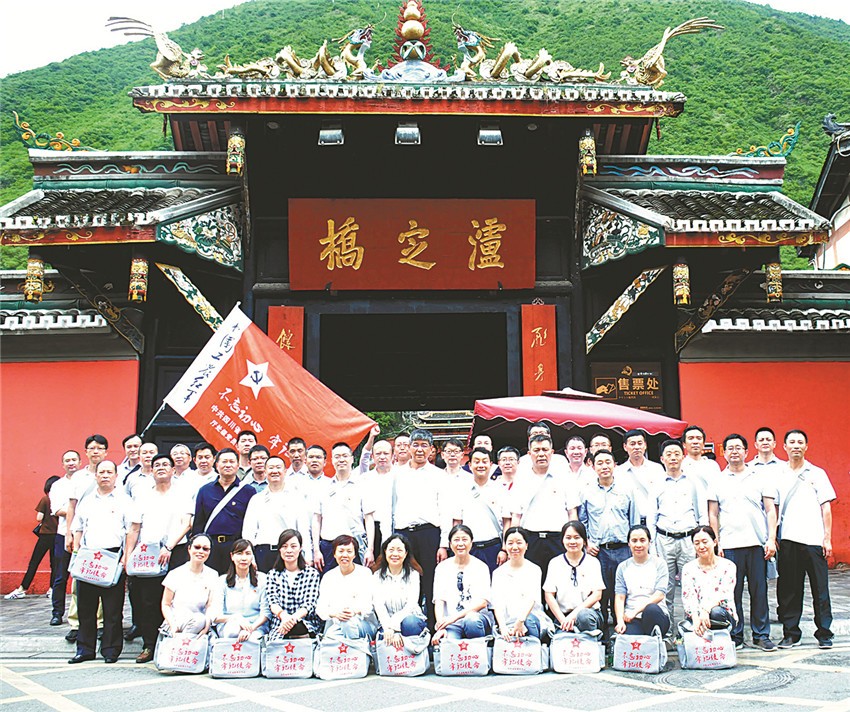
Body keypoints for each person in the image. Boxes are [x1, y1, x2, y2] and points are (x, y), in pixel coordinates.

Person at [708, 434, 777, 651]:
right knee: (732, 593)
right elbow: (713, 514)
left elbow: (770, 510)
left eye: (739, 448)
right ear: (724, 452)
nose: (734, 451)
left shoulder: (759, 477)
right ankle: (735, 635)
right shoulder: (717, 479)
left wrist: (771, 539)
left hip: (756, 544)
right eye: (730, 448)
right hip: (729, 545)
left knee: (759, 592)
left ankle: (761, 634)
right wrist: (716, 542)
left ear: (746, 452)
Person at [69, 460, 137, 664]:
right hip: (88, 558)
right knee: (86, 608)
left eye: (109, 472)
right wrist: (77, 550)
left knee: (112, 609)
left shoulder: (124, 500)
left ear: (116, 476)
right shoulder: (87, 501)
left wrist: (126, 556)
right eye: (102, 472)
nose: (105, 475)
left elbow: (132, 530)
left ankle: (110, 649)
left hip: (113, 557)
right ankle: (85, 649)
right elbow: (78, 527)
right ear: (96, 475)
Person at [392, 428, 460, 629]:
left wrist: (443, 544)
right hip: (403, 534)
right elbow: (391, 507)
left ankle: (433, 629)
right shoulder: (397, 474)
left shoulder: (439, 476)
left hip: (429, 534)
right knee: (403, 581)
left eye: (424, 446)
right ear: (408, 448)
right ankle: (403, 629)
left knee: (431, 582)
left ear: (431, 450)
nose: (419, 450)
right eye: (416, 445)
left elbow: (445, 511)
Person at [776, 429, 836, 649]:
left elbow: (826, 507)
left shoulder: (817, 473)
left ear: (806, 446)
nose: (796, 446)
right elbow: (773, 507)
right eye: (791, 442)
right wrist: (773, 536)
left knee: (820, 589)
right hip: (788, 539)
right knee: (790, 590)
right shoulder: (778, 473)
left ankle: (824, 633)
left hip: (813, 540)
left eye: (800, 442)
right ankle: (791, 633)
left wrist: (827, 538)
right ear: (784, 447)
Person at [129, 453, 191, 663]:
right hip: (149, 554)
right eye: (157, 465)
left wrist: (169, 546)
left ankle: (176, 642)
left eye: (166, 464)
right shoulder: (143, 495)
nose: (161, 467)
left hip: (176, 551)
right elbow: (134, 528)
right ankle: (149, 644)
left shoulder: (182, 493)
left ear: (173, 470)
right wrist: (128, 556)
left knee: (177, 599)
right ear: (151, 471)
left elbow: (186, 524)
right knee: (148, 601)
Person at [648, 439, 707, 635]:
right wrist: (652, 547)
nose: (673, 457)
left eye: (676, 453)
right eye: (669, 454)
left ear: (683, 456)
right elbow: (651, 517)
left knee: (692, 587)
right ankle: (667, 632)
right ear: (662, 458)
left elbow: (702, 514)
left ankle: (693, 631)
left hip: (689, 540)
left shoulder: (694, 482)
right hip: (663, 540)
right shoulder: (655, 484)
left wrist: (701, 542)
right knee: (665, 589)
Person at [579, 448, 638, 630]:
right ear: (593, 467)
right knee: (601, 593)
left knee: (623, 591)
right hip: (599, 551)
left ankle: (624, 630)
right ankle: (602, 632)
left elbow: (634, 520)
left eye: (608, 462)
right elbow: (582, 521)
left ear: (615, 465)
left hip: (623, 549)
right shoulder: (587, 492)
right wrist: (587, 543)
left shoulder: (627, 490)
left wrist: (634, 546)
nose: (604, 466)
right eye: (600, 463)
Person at [510, 434, 579, 580]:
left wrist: (573, 539)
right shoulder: (521, 479)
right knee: (531, 582)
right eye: (536, 450)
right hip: (530, 539)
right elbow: (516, 515)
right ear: (529, 454)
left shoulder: (565, 477)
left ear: (551, 452)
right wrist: (514, 542)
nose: (541, 454)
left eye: (545, 450)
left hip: (558, 539)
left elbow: (572, 513)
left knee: (560, 582)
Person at [312, 442, 376, 572]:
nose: (341, 459)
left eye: (345, 456)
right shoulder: (323, 486)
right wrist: (316, 550)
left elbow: (369, 519)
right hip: (329, 546)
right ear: (332, 460)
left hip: (354, 545)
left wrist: (370, 549)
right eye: (337, 456)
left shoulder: (362, 485)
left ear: (352, 459)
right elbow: (316, 519)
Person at [192, 448, 256, 574]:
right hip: (210, 546)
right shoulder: (205, 490)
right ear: (217, 465)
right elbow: (198, 523)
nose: (228, 465)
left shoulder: (248, 491)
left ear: (237, 465)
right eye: (224, 461)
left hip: (236, 547)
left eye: (231, 462)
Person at [242, 455, 311, 572]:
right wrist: (249, 556)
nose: (275, 471)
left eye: (278, 467)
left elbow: (303, 529)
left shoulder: (296, 497)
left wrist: (308, 556)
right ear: (265, 472)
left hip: (290, 553)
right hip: (263, 553)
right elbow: (248, 531)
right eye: (271, 468)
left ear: (285, 471)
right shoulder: (257, 499)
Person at [432, 525, 492, 644]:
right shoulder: (442, 568)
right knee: (448, 643)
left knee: (471, 620)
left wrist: (453, 618)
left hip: (476, 619)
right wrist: (441, 627)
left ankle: (478, 653)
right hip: (452, 624)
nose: (460, 544)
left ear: (471, 542)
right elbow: (439, 601)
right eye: (456, 540)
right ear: (450, 544)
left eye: (464, 539)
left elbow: (483, 602)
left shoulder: (481, 567)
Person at [543, 521, 605, 634]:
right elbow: (549, 595)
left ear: (584, 541)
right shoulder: (555, 563)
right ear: (562, 540)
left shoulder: (593, 562)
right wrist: (563, 620)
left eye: (577, 537)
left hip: (589, 614)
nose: (572, 541)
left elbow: (597, 594)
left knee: (584, 617)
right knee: (563, 641)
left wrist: (573, 615)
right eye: (568, 538)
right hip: (563, 616)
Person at [6, 475, 60, 600]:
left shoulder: (46, 499)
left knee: (34, 562)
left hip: (45, 535)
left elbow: (39, 518)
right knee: (54, 564)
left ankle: (23, 588)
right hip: (57, 535)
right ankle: (51, 589)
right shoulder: (61, 502)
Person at [262, 529, 322, 640]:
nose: (289, 550)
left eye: (293, 546)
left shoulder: (311, 574)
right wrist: (284, 618)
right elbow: (273, 602)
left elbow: (309, 604)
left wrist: (292, 620)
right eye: (284, 546)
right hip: (280, 624)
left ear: (300, 548)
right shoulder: (273, 574)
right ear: (279, 549)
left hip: (305, 623)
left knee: (298, 627)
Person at [371, 534, 428, 648]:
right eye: (391, 550)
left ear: (406, 553)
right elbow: (378, 605)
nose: (395, 554)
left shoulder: (413, 575)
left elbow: (411, 605)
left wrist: (395, 628)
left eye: (399, 550)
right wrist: (388, 628)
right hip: (385, 623)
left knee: (410, 622)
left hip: (410, 620)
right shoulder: (376, 576)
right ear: (385, 552)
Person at [315, 535, 377, 639]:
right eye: (341, 551)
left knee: (345, 624)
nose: (345, 555)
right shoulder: (328, 577)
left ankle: (351, 648)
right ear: (334, 554)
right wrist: (335, 614)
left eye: (349, 551)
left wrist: (354, 612)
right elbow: (321, 608)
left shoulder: (365, 573)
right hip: (336, 625)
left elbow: (369, 605)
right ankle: (353, 648)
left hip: (363, 624)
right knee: (332, 634)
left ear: (355, 554)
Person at [492, 527, 548, 640]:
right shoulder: (498, 573)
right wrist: (503, 627)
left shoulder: (534, 570)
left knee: (529, 621)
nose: (514, 547)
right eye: (510, 543)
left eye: (519, 543)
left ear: (526, 545)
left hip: (531, 620)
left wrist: (520, 621)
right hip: (508, 623)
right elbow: (497, 604)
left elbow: (532, 599)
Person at [613, 525, 670, 637]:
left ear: (649, 542)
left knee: (651, 609)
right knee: (630, 640)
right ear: (629, 544)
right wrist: (620, 621)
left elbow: (659, 595)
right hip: (632, 618)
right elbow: (620, 597)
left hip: (656, 615)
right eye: (634, 541)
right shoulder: (622, 567)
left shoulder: (660, 564)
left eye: (642, 540)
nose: (638, 545)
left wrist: (635, 611)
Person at [680, 526, 737, 637]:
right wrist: (696, 617)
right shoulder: (688, 568)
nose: (701, 546)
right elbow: (689, 597)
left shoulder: (728, 566)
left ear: (714, 542)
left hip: (721, 613)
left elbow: (724, 595)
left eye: (705, 542)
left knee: (715, 613)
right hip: (697, 615)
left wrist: (705, 610)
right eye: (697, 543)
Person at [461, 447, 510, 572]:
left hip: (494, 548)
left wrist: (504, 549)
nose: (481, 465)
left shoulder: (500, 489)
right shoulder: (461, 489)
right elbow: (457, 522)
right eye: (476, 461)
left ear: (491, 465)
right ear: (470, 465)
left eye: (484, 461)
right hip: (469, 549)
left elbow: (507, 522)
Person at [160, 533, 218, 636]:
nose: (201, 551)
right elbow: (166, 604)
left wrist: (207, 626)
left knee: (200, 620)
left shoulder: (213, 575)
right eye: (197, 547)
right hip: (176, 623)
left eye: (205, 549)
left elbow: (210, 605)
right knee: (198, 621)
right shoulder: (175, 574)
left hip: (201, 624)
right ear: (189, 549)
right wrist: (173, 626)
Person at [210, 539, 268, 641]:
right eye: (239, 553)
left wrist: (250, 629)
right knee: (233, 630)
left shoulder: (263, 579)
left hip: (255, 627)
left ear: (252, 556)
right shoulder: (222, 581)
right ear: (232, 556)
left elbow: (265, 614)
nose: (244, 558)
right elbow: (215, 616)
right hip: (229, 626)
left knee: (251, 639)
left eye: (248, 553)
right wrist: (235, 618)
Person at [615, 429, 665, 524]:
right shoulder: (618, 472)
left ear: (645, 445)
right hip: (629, 523)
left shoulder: (657, 469)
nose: (637, 447)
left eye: (640, 443)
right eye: (632, 444)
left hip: (655, 522)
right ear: (625, 447)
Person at [361, 439, 395, 561]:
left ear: (392, 455)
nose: (382, 457)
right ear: (372, 456)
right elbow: (367, 512)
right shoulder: (365, 479)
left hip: (397, 527)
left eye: (386, 453)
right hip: (373, 528)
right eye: (378, 454)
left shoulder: (401, 475)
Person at [681, 425, 721, 492]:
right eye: (691, 438)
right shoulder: (681, 465)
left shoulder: (712, 465)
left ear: (703, 444)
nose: (695, 442)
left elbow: (719, 488)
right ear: (684, 444)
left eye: (699, 438)